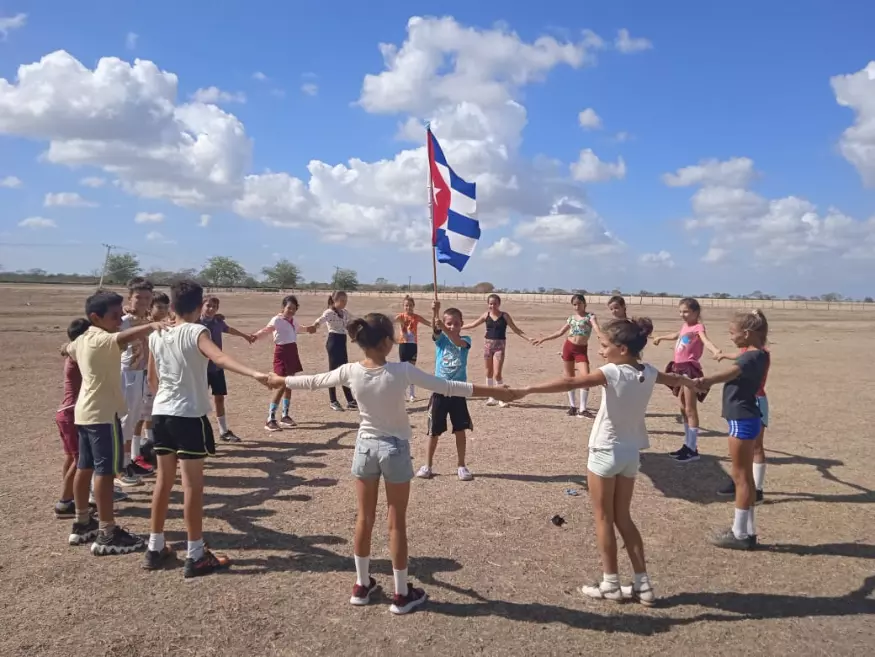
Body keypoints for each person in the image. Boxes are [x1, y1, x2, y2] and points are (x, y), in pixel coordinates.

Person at [267, 313, 513, 613]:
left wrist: (279, 379)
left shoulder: (350, 371)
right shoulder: (402, 371)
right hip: (395, 451)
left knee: (364, 519)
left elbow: (314, 381)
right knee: (396, 523)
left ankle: (361, 585)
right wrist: (496, 391)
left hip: (365, 449)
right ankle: (400, 593)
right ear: (386, 342)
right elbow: (449, 386)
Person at [516, 317, 700, 605]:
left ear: (622, 349)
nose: (601, 352)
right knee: (623, 518)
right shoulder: (649, 372)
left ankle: (610, 583)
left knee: (603, 518)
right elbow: (676, 379)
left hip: (604, 452)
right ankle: (644, 585)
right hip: (631, 455)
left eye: (605, 346)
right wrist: (690, 381)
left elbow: (570, 381)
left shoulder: (612, 372)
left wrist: (526, 390)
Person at [143, 280, 269, 577]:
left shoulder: (157, 335)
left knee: (163, 482)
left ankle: (155, 546)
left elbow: (152, 380)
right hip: (189, 417)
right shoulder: (197, 331)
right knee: (192, 487)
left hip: (161, 415)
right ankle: (196, 553)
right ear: (200, 308)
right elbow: (219, 357)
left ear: (171, 306)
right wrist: (257, 374)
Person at [65, 290, 168, 555]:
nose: (119, 318)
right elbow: (124, 336)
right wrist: (152, 325)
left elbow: (66, 349)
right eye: (114, 315)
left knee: (84, 467)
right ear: (95, 317)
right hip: (101, 415)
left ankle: (82, 522)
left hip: (84, 413)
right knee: (105, 472)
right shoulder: (102, 338)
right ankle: (108, 532)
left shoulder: (82, 340)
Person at [697, 310, 770, 550]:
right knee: (746, 477)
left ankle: (739, 534)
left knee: (740, 477)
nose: (730, 337)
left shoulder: (748, 358)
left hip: (742, 418)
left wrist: (704, 381)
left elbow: (729, 373)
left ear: (747, 333)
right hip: (748, 416)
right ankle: (747, 531)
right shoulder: (759, 354)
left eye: (732, 333)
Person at [651, 297, 721, 462]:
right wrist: (660, 337)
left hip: (689, 370)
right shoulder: (685, 326)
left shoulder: (698, 327)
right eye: (680, 311)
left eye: (686, 311)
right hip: (678, 368)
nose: (682, 315)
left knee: (690, 409)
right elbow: (677, 335)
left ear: (695, 312)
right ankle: (687, 445)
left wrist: (715, 350)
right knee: (683, 408)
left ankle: (692, 448)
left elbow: (705, 341)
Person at [416, 302, 476, 481]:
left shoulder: (466, 340)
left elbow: (457, 341)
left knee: (460, 429)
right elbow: (436, 329)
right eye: (449, 323)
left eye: (456, 323)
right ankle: (427, 465)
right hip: (439, 390)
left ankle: (461, 465)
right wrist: (435, 311)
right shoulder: (440, 339)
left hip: (458, 390)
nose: (452, 326)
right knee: (433, 431)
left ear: (462, 324)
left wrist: (444, 327)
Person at [716, 343, 770, 504]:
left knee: (757, 447)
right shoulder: (749, 352)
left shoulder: (760, 354)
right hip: (744, 403)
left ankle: (758, 489)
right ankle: (738, 481)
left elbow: (740, 365)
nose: (732, 337)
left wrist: (707, 381)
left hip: (756, 400)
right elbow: (740, 356)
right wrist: (724, 355)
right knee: (740, 449)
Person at [533, 294, 602, 417]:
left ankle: (583, 409)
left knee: (586, 378)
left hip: (581, 350)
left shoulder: (590, 317)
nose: (577, 307)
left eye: (579, 304)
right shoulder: (571, 318)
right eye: (574, 304)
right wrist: (544, 339)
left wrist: (603, 339)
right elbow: (560, 332)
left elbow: (597, 329)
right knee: (569, 378)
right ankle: (572, 406)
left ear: (584, 304)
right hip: (568, 347)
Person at [200, 295, 255, 442]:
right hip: (200, 369)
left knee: (219, 398)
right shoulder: (195, 323)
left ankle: (224, 431)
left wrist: (244, 336)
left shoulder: (218, 321)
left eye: (214, 307)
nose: (211, 309)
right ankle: (200, 433)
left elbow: (228, 329)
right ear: (201, 306)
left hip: (217, 367)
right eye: (208, 306)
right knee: (200, 401)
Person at [462, 293, 533, 407]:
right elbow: (473, 325)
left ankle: (501, 397)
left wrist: (528, 338)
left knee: (497, 373)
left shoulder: (504, 316)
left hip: (500, 346)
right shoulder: (486, 315)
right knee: (488, 372)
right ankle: (491, 396)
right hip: (488, 346)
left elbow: (515, 329)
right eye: (490, 303)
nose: (492, 306)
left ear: (499, 304)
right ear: (488, 304)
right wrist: (457, 328)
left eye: (495, 303)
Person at [118, 277, 156, 484]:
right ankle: (121, 467)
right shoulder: (123, 322)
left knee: (133, 419)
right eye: (138, 297)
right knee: (126, 420)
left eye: (147, 298)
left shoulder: (147, 321)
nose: (142, 301)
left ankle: (128, 460)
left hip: (141, 375)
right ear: (130, 298)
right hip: (127, 374)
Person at [54, 318, 92, 519]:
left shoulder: (72, 355)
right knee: (80, 459)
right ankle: (65, 502)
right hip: (72, 413)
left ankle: (70, 496)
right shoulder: (78, 357)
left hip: (65, 412)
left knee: (71, 457)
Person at [253, 295, 304, 431]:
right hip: (281, 352)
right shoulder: (277, 320)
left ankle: (285, 415)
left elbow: (300, 329)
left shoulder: (293, 320)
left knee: (289, 383)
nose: (291, 311)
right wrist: (255, 336)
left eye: (294, 308)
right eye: (289, 308)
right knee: (281, 384)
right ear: (283, 308)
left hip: (292, 351)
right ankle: (270, 418)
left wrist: (310, 328)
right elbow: (267, 330)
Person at [304, 291, 357, 412]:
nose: (344, 303)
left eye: (346, 301)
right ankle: (333, 401)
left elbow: (351, 324)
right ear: (334, 300)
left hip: (342, 342)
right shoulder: (329, 312)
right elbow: (319, 321)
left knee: (345, 371)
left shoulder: (345, 313)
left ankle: (350, 400)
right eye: (342, 300)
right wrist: (314, 326)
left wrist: (356, 335)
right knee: (333, 372)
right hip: (333, 342)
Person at [137, 292, 170, 466]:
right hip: (142, 374)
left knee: (151, 413)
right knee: (140, 416)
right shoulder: (144, 324)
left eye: (166, 307)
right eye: (159, 307)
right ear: (150, 307)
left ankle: (152, 448)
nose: (163, 310)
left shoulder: (166, 325)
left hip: (158, 374)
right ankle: (136, 455)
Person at [395, 295, 433, 402]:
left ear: (414, 306)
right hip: (403, 344)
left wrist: (437, 324)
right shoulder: (401, 316)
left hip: (413, 345)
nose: (408, 308)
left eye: (410, 305)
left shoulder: (416, 317)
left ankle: (412, 394)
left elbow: (429, 324)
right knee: (403, 370)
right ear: (403, 306)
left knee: (411, 370)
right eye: (406, 305)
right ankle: (402, 393)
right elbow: (391, 321)